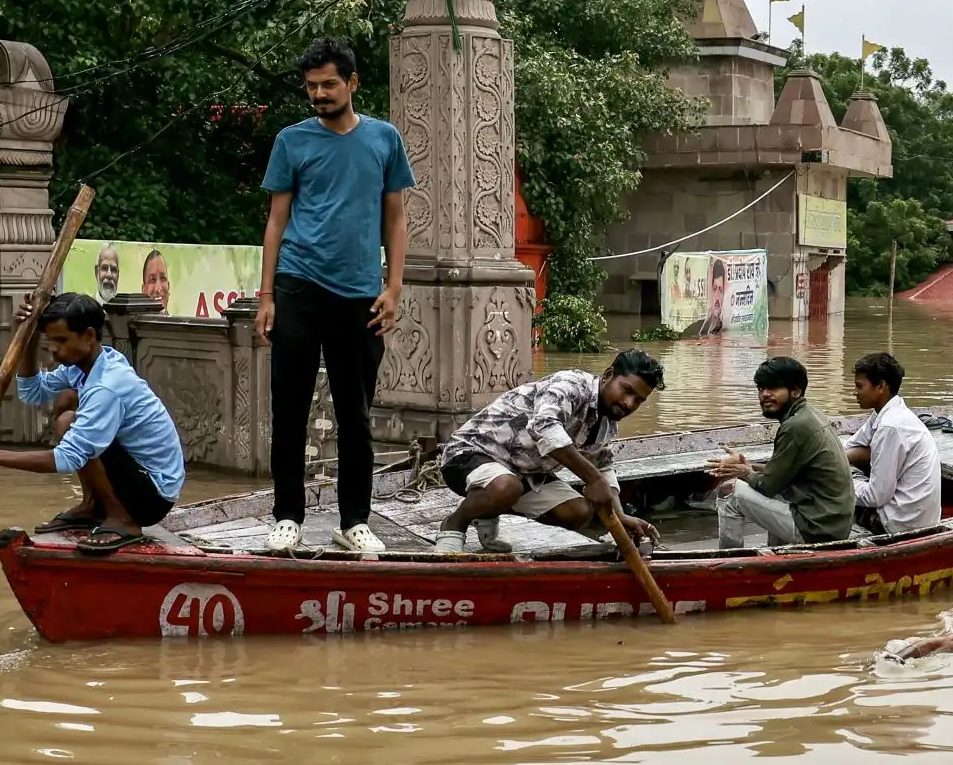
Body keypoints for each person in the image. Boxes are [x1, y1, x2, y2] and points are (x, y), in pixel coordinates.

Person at [258, 37, 415, 554]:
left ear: (352, 83)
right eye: (311, 86)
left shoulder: (384, 140)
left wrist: (393, 287)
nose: (320, 94)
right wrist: (267, 295)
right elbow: (276, 220)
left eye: (329, 84)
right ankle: (287, 516)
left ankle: (354, 521)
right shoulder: (292, 141)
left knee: (355, 413)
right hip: (299, 287)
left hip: (360, 295)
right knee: (290, 409)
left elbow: (396, 216)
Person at [0, 292, 185, 552]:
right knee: (67, 419)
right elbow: (33, 391)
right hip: (139, 479)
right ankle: (92, 506)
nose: (54, 350)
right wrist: (29, 338)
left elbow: (66, 458)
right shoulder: (85, 366)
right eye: (50, 341)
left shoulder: (107, 386)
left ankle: (123, 521)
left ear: (88, 336)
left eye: (61, 341)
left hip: (153, 496)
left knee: (77, 431)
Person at [436, 351, 666, 554]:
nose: (628, 403)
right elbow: (543, 426)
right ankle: (454, 524)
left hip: (525, 472)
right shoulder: (571, 385)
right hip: (470, 453)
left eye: (639, 400)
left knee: (577, 512)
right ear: (608, 375)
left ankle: (486, 513)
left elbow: (603, 468)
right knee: (506, 487)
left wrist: (620, 516)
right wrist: (592, 478)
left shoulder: (607, 423)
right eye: (626, 390)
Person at [706, 357, 854, 548]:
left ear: (796, 390)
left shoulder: (795, 426)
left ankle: (729, 563)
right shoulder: (809, 414)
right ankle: (779, 553)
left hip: (817, 528)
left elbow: (767, 485)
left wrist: (743, 472)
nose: (765, 394)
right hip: (831, 523)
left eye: (773, 388)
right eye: (761, 388)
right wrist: (747, 467)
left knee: (729, 490)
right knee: (769, 490)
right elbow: (781, 473)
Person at [844, 352, 941, 535]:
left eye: (859, 386)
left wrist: (834, 485)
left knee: (827, 483)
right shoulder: (887, 413)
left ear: (881, 386)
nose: (855, 392)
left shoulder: (891, 426)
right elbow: (852, 444)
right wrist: (839, 458)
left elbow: (875, 496)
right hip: (909, 514)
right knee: (838, 465)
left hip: (898, 523)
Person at [141, 249, 171, 314]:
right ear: (143, 290)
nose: (158, 289)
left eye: (163, 278)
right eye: (152, 280)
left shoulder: (179, 324)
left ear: (168, 286)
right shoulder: (132, 324)